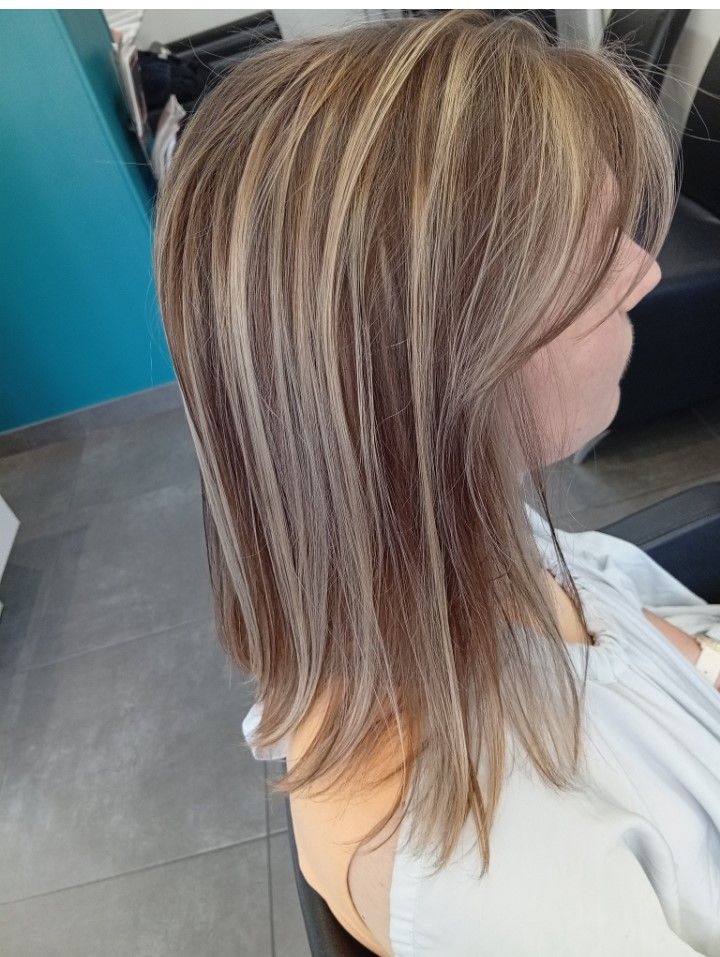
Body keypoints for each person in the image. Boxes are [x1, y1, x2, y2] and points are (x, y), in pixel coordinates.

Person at [152, 10, 720, 955]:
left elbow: (631, 632)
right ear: (428, 363)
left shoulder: (448, 539)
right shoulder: (509, 880)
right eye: (591, 256)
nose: (644, 272)